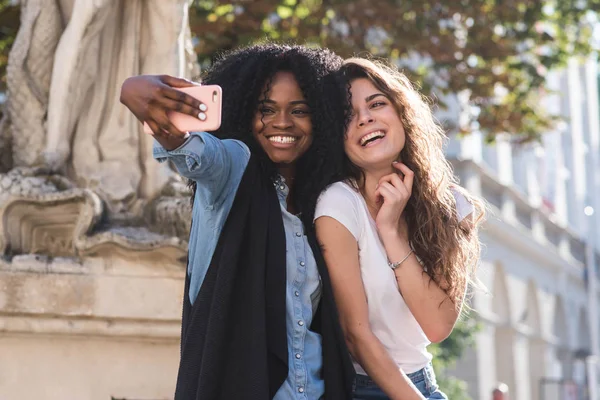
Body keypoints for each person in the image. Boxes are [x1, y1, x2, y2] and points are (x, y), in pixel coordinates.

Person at [119, 44, 355, 400]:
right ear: (244, 113)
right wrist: (137, 93)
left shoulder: (325, 205)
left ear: (322, 118)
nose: (282, 122)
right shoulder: (232, 172)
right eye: (266, 109)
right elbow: (192, 150)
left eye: (300, 110)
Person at [313, 58, 486, 400]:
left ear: (402, 113)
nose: (365, 118)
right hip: (365, 389)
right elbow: (356, 335)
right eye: (349, 115)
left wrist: (391, 231)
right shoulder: (337, 204)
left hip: (425, 383)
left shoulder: (451, 205)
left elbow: (437, 326)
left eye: (377, 104)